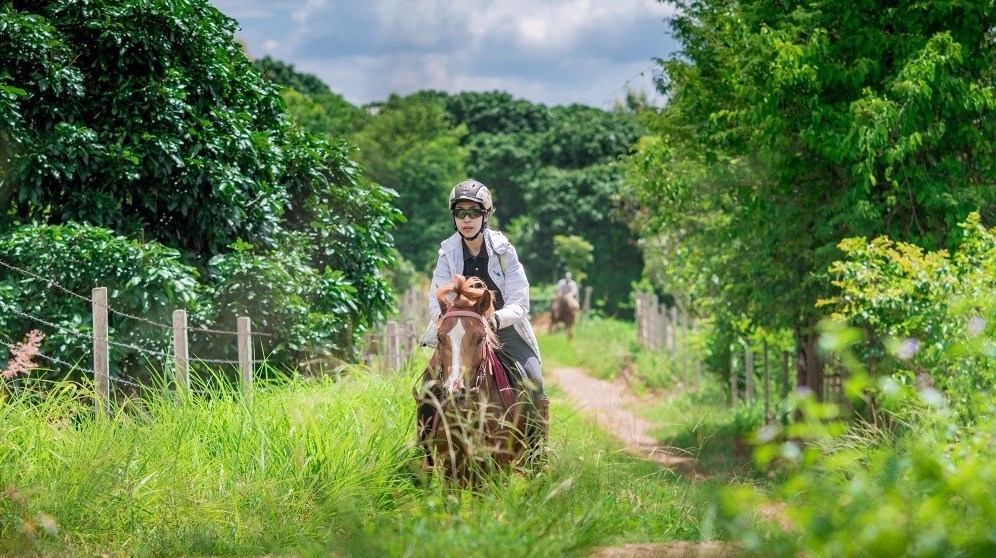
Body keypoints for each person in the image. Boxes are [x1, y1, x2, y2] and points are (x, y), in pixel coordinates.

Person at [418, 178, 548, 457]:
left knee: (535, 382)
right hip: (462, 330)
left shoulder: (504, 251)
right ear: (453, 217)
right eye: (460, 213)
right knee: (428, 386)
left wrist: (494, 320)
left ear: (485, 215)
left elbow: (520, 301)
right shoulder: (447, 253)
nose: (467, 220)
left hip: (504, 327)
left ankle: (537, 455)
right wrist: (455, 320)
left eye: (474, 212)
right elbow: (434, 301)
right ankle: (425, 455)